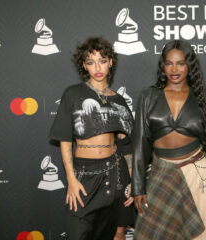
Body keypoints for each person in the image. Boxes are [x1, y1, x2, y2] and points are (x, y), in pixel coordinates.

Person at [132, 40, 206, 240]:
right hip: (162, 172)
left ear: (189, 66)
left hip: (198, 174)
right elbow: (140, 142)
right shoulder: (148, 96)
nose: (174, 69)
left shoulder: (200, 98)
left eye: (180, 63)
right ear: (163, 66)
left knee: (203, 235)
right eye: (169, 63)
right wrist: (138, 187)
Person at [49, 37, 134, 240]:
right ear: (84, 66)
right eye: (91, 62)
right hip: (84, 175)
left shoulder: (119, 100)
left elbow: (127, 145)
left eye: (102, 60)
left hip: (116, 174)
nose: (97, 67)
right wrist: (71, 178)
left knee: (114, 234)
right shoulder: (73, 94)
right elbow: (65, 140)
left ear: (111, 62)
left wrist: (131, 181)